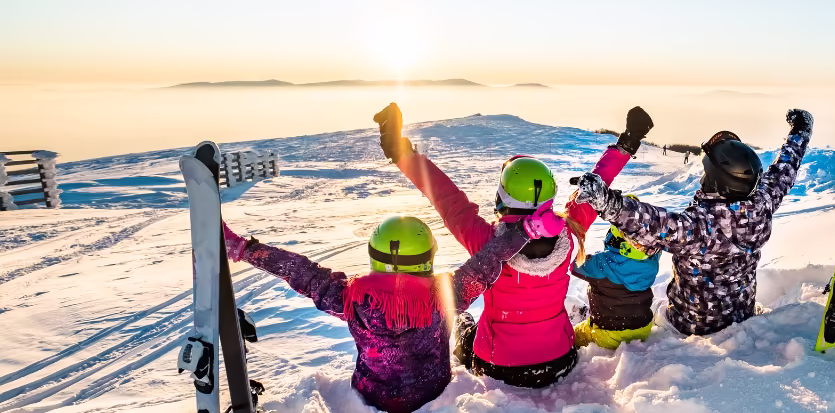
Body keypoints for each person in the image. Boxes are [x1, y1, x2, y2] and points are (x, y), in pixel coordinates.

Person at [373, 103, 653, 388]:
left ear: (503, 196)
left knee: (465, 328)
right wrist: (627, 142)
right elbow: (595, 187)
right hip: (560, 359)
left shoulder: (487, 243)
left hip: (499, 366)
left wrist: (401, 152)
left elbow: (447, 199)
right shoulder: (569, 232)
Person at [220, 210, 564, 413]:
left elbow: (301, 272)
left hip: (374, 395)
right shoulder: (445, 296)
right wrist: (526, 231)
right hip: (432, 392)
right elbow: (488, 262)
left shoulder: (351, 298)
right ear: (428, 256)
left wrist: (244, 249)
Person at [571, 109, 812, 336]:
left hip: (691, 324)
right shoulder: (762, 204)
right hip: (742, 313)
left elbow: (650, 223)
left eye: (706, 172)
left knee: (655, 315)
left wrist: (606, 201)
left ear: (716, 181)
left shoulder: (700, 227)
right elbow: (784, 171)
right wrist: (800, 132)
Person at [571, 194, 660, 349]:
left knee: (573, 335)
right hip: (643, 328)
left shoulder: (602, 264)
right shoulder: (651, 259)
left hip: (608, 334)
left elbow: (574, 264)